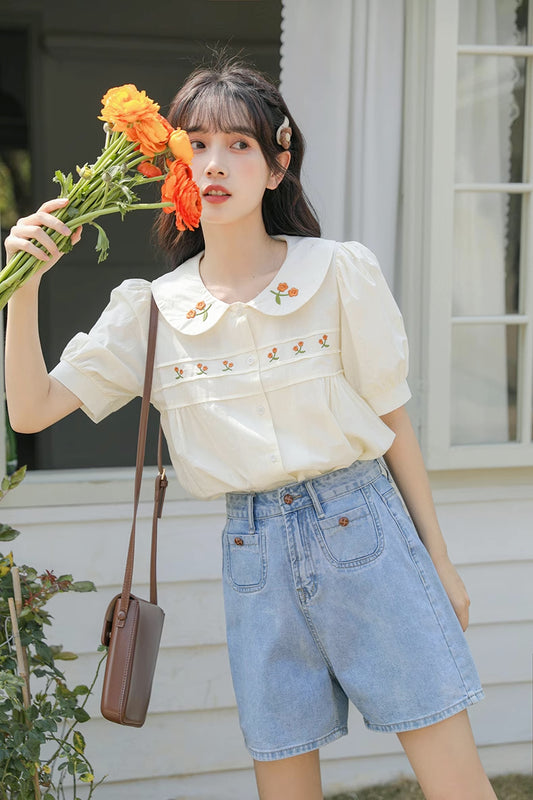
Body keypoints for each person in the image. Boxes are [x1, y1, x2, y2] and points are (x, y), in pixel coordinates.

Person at [4, 60, 497, 800]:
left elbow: (394, 421)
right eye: (196, 145)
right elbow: (31, 411)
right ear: (177, 169)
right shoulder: (152, 309)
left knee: (455, 783)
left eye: (238, 145)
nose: (213, 164)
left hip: (363, 529)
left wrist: (441, 561)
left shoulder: (335, 273)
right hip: (252, 555)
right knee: (284, 784)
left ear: (278, 166)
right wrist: (25, 284)